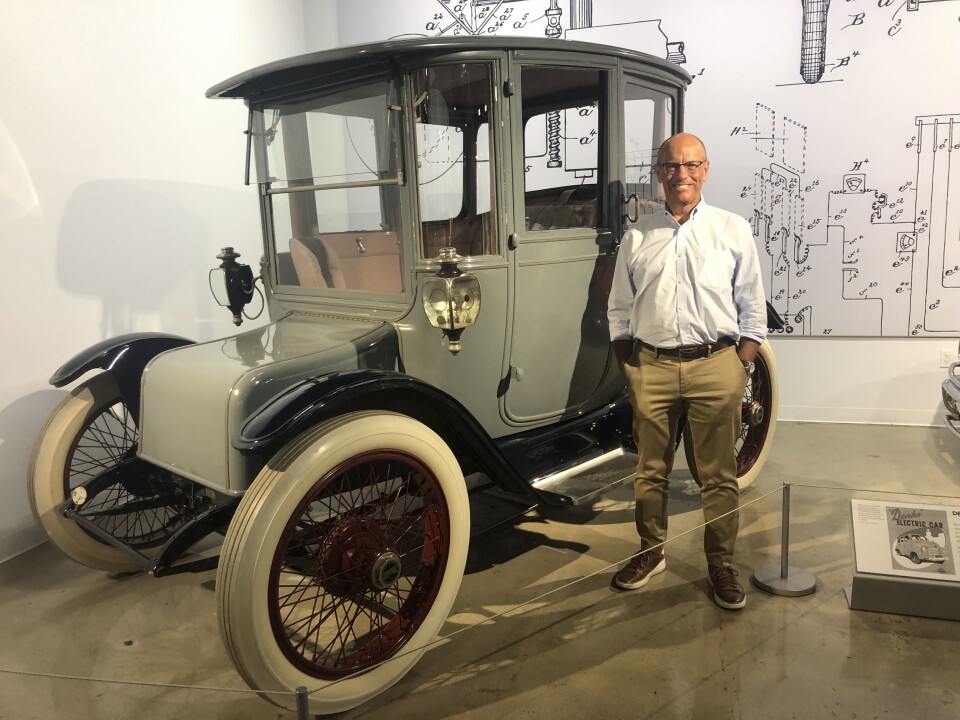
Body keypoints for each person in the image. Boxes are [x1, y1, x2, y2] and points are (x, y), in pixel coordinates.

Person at [606, 132, 767, 610]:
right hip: (651, 367)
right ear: (659, 174)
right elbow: (619, 308)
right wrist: (630, 365)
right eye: (672, 166)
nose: (682, 174)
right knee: (649, 471)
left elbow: (752, 306)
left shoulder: (732, 229)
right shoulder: (637, 236)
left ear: (706, 170)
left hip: (716, 365)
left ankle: (720, 563)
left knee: (717, 476)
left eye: (691, 165)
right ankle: (650, 552)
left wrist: (740, 364)